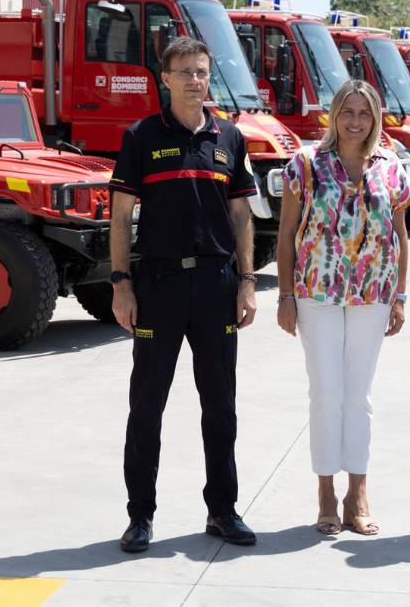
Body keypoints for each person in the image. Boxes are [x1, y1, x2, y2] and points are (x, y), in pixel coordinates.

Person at [108, 36, 260, 553]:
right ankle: (140, 517)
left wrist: (247, 282)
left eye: (202, 71)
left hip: (217, 286)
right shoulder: (141, 137)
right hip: (159, 285)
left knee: (221, 405)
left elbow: (241, 215)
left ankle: (222, 510)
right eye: (185, 72)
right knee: (147, 405)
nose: (196, 80)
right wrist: (121, 283)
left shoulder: (230, 138)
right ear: (165, 79)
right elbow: (122, 215)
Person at [275, 79, 410, 536]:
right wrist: (286, 296)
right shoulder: (306, 165)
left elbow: (399, 236)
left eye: (364, 113)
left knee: (359, 397)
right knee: (326, 394)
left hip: (373, 296)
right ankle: (325, 494)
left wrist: (399, 296)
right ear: (333, 115)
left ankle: (358, 493)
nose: (355, 121)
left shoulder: (391, 168)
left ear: (375, 118)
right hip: (317, 294)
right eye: (347, 112)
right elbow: (286, 236)